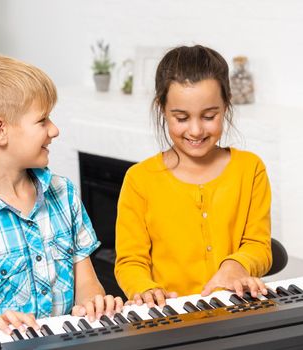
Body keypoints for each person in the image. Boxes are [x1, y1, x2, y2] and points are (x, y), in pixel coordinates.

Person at [0, 52, 123, 335]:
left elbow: (87, 284)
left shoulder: (64, 194)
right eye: (42, 120)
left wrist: (93, 303)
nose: (54, 130)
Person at [114, 45, 272, 308]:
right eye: (182, 117)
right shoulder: (139, 179)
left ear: (226, 107)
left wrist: (236, 265)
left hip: (238, 311)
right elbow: (131, 262)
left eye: (209, 116)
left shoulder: (250, 168)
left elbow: (259, 246)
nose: (196, 130)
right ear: (162, 109)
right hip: (169, 319)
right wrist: (144, 288)